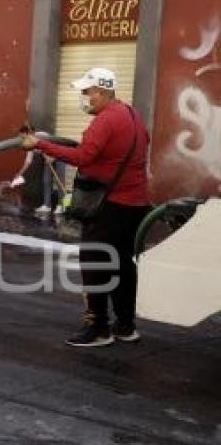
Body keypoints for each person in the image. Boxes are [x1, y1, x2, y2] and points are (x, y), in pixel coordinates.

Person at [23, 67, 150, 348]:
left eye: (87, 92)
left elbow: (82, 156)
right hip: (135, 205)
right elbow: (140, 144)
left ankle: (98, 328)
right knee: (122, 265)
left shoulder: (106, 120)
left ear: (102, 92)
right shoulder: (131, 114)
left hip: (110, 206)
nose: (84, 97)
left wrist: (42, 145)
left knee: (95, 264)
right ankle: (126, 326)